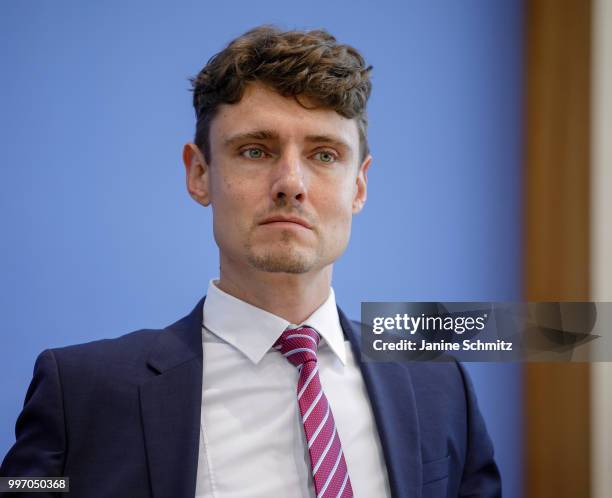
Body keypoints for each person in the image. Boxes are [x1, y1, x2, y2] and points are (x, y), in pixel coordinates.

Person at [0, 26, 501, 498]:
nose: (291, 182)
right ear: (199, 174)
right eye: (256, 150)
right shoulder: (82, 392)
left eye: (324, 155)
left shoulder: (439, 383)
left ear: (360, 186)